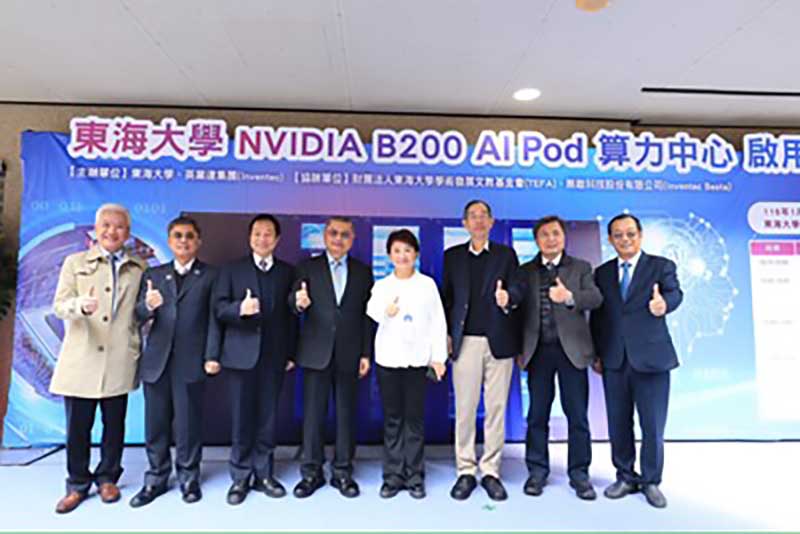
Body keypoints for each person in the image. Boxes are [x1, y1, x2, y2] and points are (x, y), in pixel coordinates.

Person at [50, 203, 147, 514]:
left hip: (119, 357)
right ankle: (77, 483)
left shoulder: (139, 267)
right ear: (96, 229)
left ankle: (108, 477)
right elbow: (59, 305)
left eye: (119, 226)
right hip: (82, 358)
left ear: (127, 233)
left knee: (114, 425)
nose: (111, 231)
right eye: (106, 225)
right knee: (78, 427)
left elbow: (141, 312)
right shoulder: (75, 263)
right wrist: (79, 305)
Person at [590, 213, 683, 509]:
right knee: (619, 423)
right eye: (618, 235)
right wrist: (597, 353)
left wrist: (664, 304)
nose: (625, 239)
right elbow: (598, 317)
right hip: (614, 359)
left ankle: (651, 480)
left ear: (640, 235)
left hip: (652, 359)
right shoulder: (602, 273)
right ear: (610, 239)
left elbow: (675, 293)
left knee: (652, 424)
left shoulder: (661, 266)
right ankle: (625, 476)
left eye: (630, 233)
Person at [129, 216, 220, 507]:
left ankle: (189, 478)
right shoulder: (153, 274)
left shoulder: (211, 275)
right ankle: (156, 477)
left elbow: (215, 320)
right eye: (178, 236)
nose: (183, 241)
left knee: (188, 425)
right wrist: (148, 306)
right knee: (156, 425)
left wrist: (212, 355)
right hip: (157, 362)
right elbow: (136, 315)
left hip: (192, 361)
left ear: (198, 241)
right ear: (169, 241)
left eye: (189, 236)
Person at [513, 216, 603, 500]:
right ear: (536, 240)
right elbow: (517, 313)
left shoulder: (581, 267)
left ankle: (580, 474)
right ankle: (537, 471)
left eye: (556, 233)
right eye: (544, 235)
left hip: (572, 351)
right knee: (537, 415)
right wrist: (519, 349)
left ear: (564, 237)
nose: (551, 239)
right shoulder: (525, 270)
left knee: (577, 415)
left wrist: (569, 297)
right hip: (538, 351)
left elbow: (595, 299)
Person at [213, 214, 298, 505]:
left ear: (277, 239)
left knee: (267, 418)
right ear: (250, 238)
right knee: (241, 418)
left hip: (274, 357)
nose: (262, 239)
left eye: (268, 234)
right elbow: (219, 309)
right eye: (257, 233)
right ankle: (240, 476)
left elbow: (291, 318)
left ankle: (264, 474)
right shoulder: (232, 270)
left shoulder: (287, 272)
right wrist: (240, 309)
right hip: (240, 356)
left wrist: (291, 353)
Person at [442, 199, 522, 501]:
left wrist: (508, 297)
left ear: (491, 222)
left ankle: (490, 470)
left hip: (499, 341)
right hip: (466, 342)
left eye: (483, 216)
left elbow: (519, 290)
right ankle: (465, 469)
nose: (478, 221)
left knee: (496, 408)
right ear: (464, 223)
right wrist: (447, 335)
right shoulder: (452, 257)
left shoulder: (505, 254)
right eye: (472, 216)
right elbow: (447, 299)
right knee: (465, 408)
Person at [290, 216, 374, 499]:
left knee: (346, 415)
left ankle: (342, 472)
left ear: (353, 239)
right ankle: (311, 472)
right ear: (325, 236)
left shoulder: (363, 272)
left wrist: (365, 352)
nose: (339, 239)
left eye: (345, 234)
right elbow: (292, 302)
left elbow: (366, 317)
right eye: (334, 233)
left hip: (350, 353)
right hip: (316, 353)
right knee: (313, 416)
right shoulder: (307, 267)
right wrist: (298, 303)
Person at [366, 229, 447, 499]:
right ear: (389, 255)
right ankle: (392, 476)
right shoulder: (382, 286)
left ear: (416, 254)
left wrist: (438, 357)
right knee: (392, 419)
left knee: (414, 420)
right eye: (397, 251)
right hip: (389, 360)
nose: (403, 256)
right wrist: (386, 311)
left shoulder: (427, 285)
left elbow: (438, 322)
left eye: (408, 250)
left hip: (417, 361)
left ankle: (414, 476)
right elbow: (370, 311)